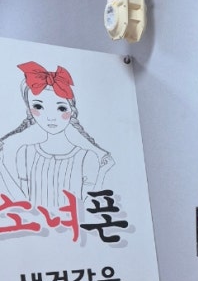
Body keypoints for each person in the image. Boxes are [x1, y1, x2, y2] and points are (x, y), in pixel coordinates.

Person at [0, 62, 114, 209]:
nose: (50, 117)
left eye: (61, 108)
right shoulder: (26, 153)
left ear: (72, 110)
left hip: (72, 223)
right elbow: (23, 203)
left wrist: (103, 172)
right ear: (30, 111)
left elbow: (89, 206)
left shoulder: (86, 157)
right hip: (36, 223)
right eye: (38, 106)